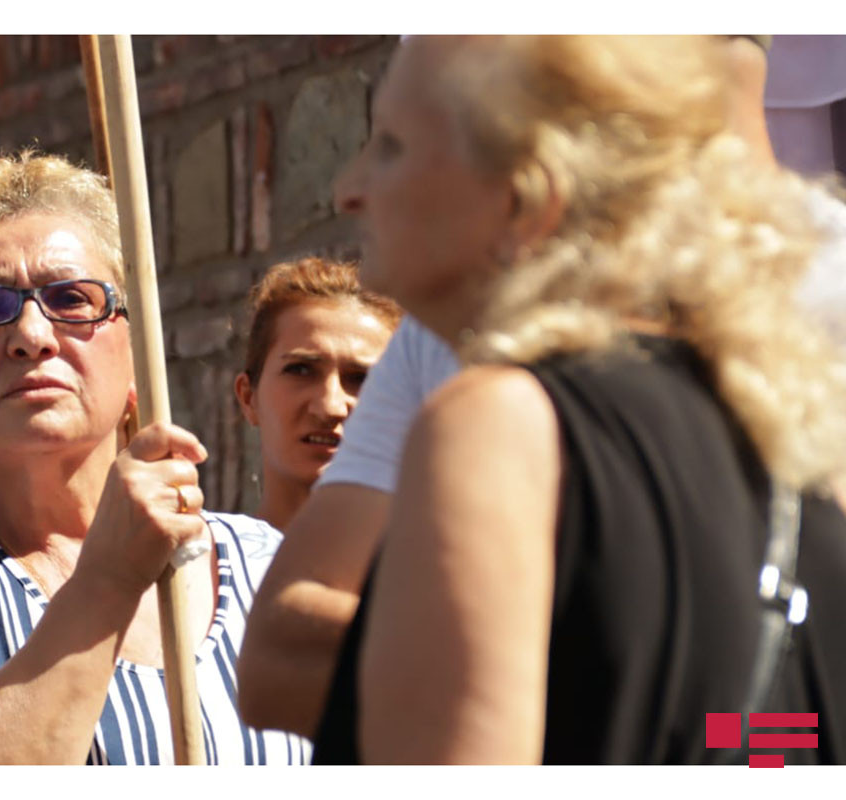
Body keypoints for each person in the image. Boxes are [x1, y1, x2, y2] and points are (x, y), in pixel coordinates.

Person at [236, 32, 846, 742]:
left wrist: (491, 652)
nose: (350, 188)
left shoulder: (501, 421)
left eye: (394, 147)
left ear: (528, 199)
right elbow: (778, 741)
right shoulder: (800, 466)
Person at [0, 151, 311, 765]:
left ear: (136, 357)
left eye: (72, 298)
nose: (31, 335)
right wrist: (108, 580)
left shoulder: (264, 561)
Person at [233, 257, 400, 530]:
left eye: (362, 378)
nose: (330, 407)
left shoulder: (443, 552)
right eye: (300, 370)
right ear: (249, 398)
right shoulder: (193, 550)